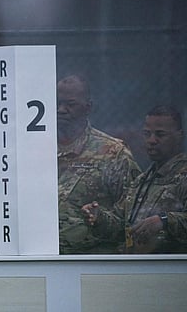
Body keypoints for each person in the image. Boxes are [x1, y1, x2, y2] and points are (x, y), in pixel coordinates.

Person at [82, 105, 187, 253]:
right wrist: (99, 217)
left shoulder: (183, 176)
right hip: (135, 266)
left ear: (179, 136)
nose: (152, 140)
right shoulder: (141, 181)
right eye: (147, 134)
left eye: (160, 134)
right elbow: (120, 224)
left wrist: (164, 221)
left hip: (170, 270)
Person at [57, 74, 141, 254]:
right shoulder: (35, 150)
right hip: (41, 258)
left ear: (88, 107)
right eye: (57, 103)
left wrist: (100, 218)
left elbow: (133, 215)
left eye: (70, 104)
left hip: (93, 260)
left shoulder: (112, 152)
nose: (61, 109)